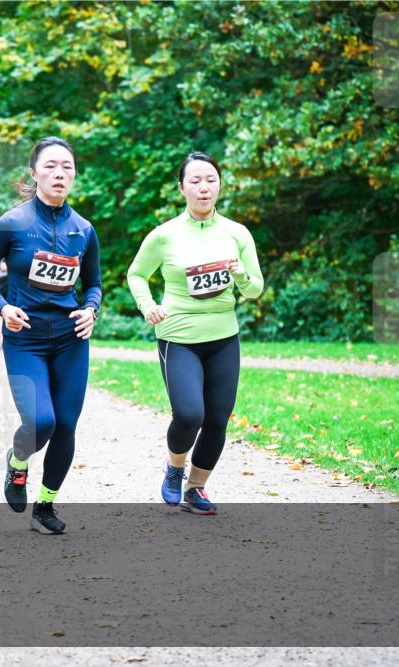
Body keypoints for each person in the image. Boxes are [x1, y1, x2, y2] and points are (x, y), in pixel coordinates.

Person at [0, 137, 102, 535]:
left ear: (74, 174)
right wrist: (3, 306)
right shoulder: (13, 223)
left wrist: (91, 310)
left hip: (70, 338)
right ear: (34, 173)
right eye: (49, 166)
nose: (59, 173)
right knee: (41, 420)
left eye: (66, 166)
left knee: (65, 424)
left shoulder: (83, 229)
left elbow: (94, 283)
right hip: (24, 337)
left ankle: (45, 505)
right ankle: (17, 462)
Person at [127, 151, 264, 515]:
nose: (204, 188)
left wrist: (240, 276)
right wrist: (148, 306)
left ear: (219, 184)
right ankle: (174, 467)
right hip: (178, 337)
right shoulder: (164, 235)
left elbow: (255, 289)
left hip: (223, 337)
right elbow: (136, 274)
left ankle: (196, 489)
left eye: (211, 180)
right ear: (182, 187)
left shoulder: (237, 233)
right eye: (195, 181)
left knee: (217, 419)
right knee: (189, 414)